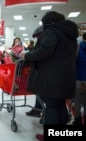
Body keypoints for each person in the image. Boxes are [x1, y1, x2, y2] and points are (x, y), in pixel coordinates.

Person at [22, 11, 79, 141]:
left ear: (48, 22)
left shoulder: (52, 31)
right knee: (60, 105)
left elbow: (44, 51)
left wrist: (27, 56)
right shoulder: (71, 34)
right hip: (67, 75)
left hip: (53, 77)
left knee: (52, 106)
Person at [25, 25, 44, 118]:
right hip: (45, 72)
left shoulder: (45, 41)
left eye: (37, 36)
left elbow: (39, 54)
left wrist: (26, 56)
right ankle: (37, 109)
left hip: (42, 71)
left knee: (41, 91)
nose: (36, 38)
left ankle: (41, 111)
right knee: (40, 91)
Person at [73, 32, 86, 125]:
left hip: (79, 77)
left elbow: (74, 61)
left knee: (77, 99)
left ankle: (77, 119)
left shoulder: (78, 47)